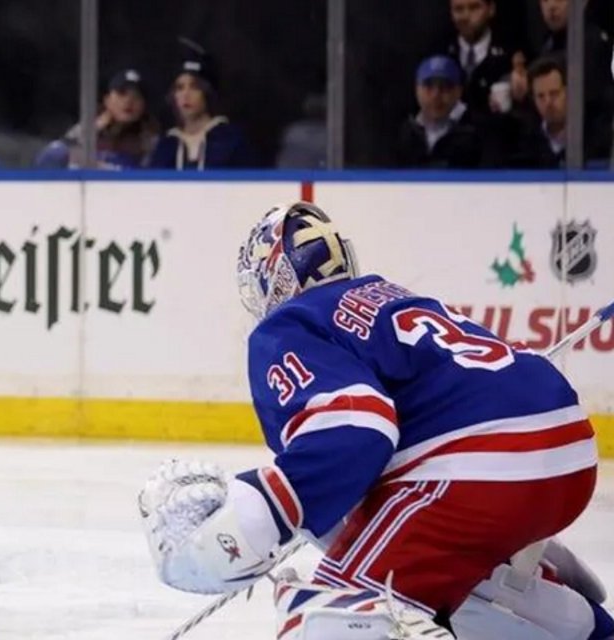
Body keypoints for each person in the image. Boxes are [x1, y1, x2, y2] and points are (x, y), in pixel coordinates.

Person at [138, 203, 613, 639]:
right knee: (411, 574)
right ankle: (557, 611)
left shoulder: (288, 326)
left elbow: (356, 430)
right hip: (564, 449)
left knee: (338, 619)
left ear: (273, 277)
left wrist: (247, 523)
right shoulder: (392, 297)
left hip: (475, 469)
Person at [34, 68, 161, 170]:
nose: (129, 101)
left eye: (137, 97)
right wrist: (93, 129)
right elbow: (47, 159)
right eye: (121, 93)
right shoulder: (80, 137)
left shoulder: (150, 145)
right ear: (107, 100)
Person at [148, 52, 255, 170]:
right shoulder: (166, 145)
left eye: (194, 87)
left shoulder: (230, 140)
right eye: (180, 88)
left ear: (207, 92)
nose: (185, 95)